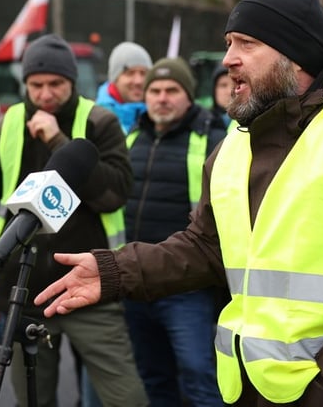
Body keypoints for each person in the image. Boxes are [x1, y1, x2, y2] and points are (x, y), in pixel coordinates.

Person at [35, 0, 323, 406]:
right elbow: (203, 247)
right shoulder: (235, 143)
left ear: (294, 57)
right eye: (228, 42)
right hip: (253, 390)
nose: (228, 59)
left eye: (247, 43)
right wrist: (114, 271)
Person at [0, 34, 148, 407]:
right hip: (24, 293)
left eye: (56, 84)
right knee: (33, 399)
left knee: (127, 397)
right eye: (36, 85)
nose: (45, 94)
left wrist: (60, 142)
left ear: (72, 82)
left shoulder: (99, 122)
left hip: (93, 287)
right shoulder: (2, 129)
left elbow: (113, 195)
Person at [121, 57, 227, 406]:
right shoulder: (131, 137)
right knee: (154, 378)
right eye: (154, 90)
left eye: (171, 90)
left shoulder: (213, 138)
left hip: (186, 287)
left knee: (199, 377)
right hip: (136, 283)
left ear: (189, 96)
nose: (161, 98)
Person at [96, 41, 153, 133]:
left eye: (143, 73)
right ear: (115, 79)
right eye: (130, 73)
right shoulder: (97, 119)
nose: (138, 81)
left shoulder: (159, 119)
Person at [210, 62, 235, 129]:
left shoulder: (253, 123)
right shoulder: (202, 123)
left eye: (235, 84)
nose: (229, 92)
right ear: (214, 90)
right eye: (223, 85)